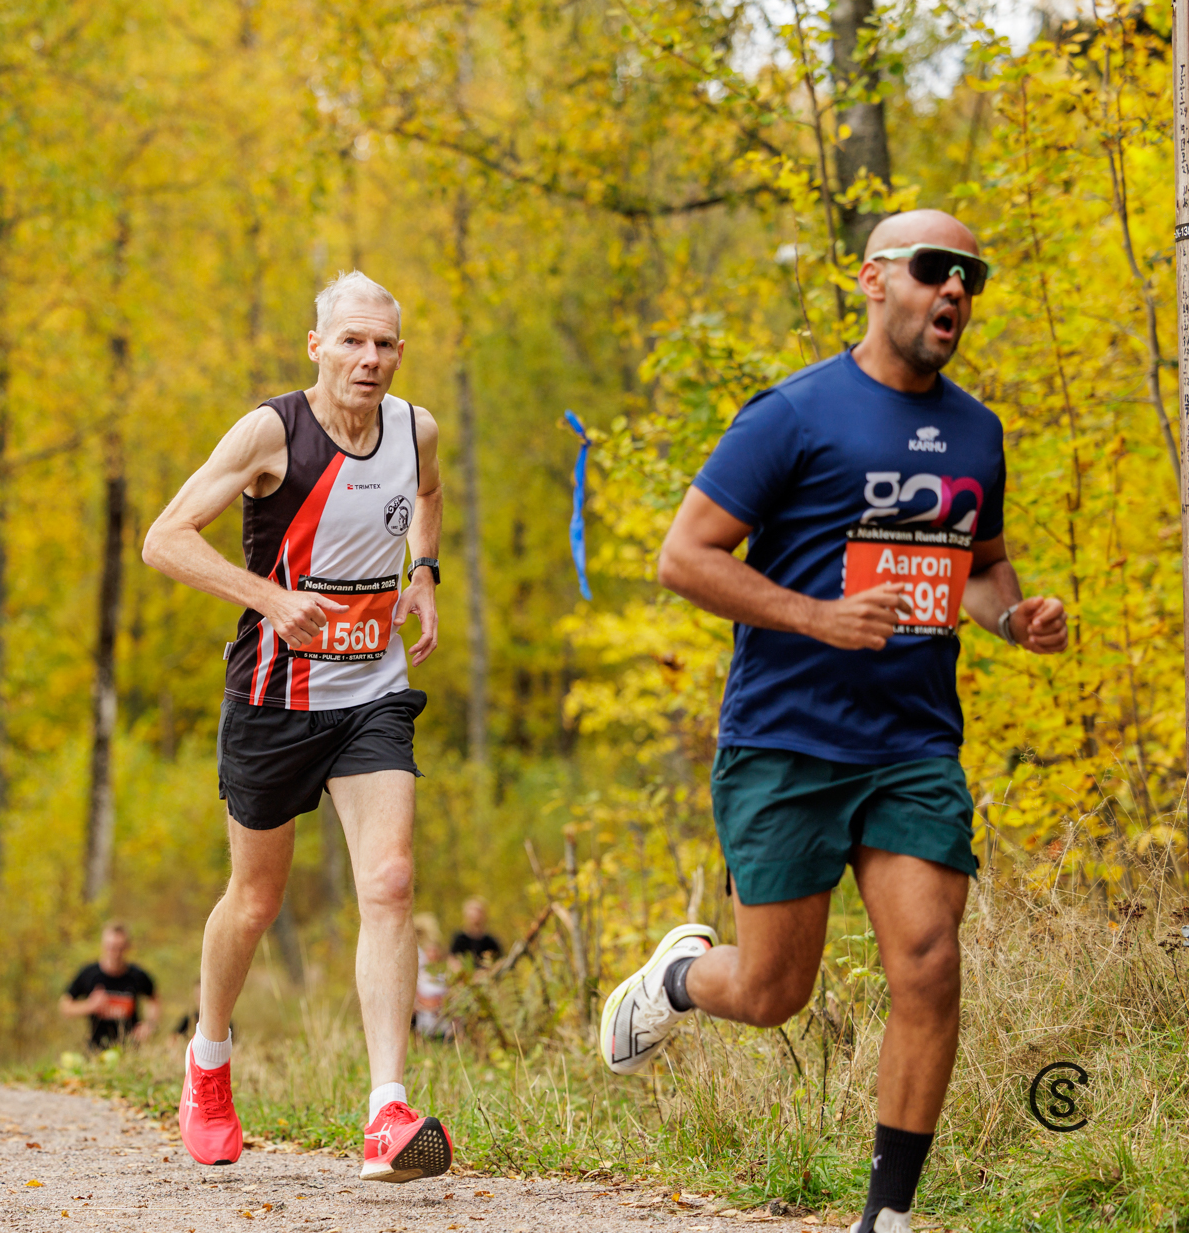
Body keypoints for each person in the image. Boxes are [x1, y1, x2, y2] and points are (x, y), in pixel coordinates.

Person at [597, 211, 1068, 1233]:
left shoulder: (977, 431)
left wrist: (1014, 617)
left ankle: (885, 1218)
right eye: (935, 269)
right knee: (774, 990)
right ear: (874, 279)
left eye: (971, 276)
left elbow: (981, 566)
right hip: (787, 738)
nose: (955, 290)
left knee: (929, 961)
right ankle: (676, 979)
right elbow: (685, 557)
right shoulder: (794, 414)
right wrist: (819, 616)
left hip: (913, 742)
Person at [141, 270, 449, 1183]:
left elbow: (429, 496)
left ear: (400, 352)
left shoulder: (416, 429)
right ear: (317, 346)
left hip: (373, 691)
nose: (369, 358)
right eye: (352, 340)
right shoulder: (272, 433)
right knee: (255, 901)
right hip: (275, 698)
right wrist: (271, 599)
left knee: (390, 880)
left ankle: (386, 1112)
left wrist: (423, 574)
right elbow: (164, 538)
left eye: (384, 343)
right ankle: (208, 1059)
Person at [60, 922, 160, 1049]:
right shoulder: (89, 974)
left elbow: (154, 999)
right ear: (103, 946)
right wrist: (90, 1006)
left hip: (131, 1048)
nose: (116, 953)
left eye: (120, 948)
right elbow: (65, 1006)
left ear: (128, 947)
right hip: (96, 1050)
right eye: (111, 947)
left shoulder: (137, 975)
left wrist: (149, 1025)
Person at [412, 914, 452, 1040]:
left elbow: (451, 992)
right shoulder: (420, 968)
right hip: (424, 1016)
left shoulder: (445, 972)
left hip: (442, 1016)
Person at [448, 897, 502, 965]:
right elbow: (452, 960)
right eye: (472, 915)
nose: (476, 916)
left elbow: (499, 960)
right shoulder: (459, 939)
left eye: (478, 913)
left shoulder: (491, 941)